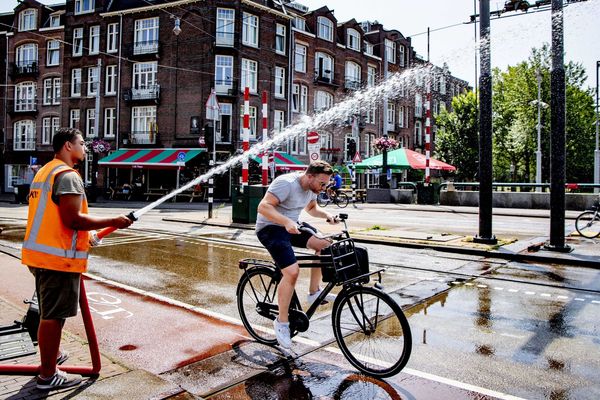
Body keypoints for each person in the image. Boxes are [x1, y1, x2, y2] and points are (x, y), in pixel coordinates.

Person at [21, 128, 133, 391]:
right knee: (54, 317)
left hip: (41, 256)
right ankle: (48, 375)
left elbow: (57, 218)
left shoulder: (46, 170)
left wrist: (89, 234)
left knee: (50, 314)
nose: (85, 147)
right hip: (56, 260)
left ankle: (51, 356)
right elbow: (73, 219)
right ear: (68, 146)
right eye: (81, 143)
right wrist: (114, 220)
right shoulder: (67, 176)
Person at [256, 160, 339, 349]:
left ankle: (313, 292)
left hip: (292, 226)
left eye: (326, 184)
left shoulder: (312, 189)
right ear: (309, 176)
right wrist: (285, 222)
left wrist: (326, 215)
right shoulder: (286, 183)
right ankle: (282, 322)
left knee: (325, 245)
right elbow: (263, 207)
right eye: (322, 183)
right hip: (270, 228)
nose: (323, 188)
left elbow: (311, 208)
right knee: (292, 272)